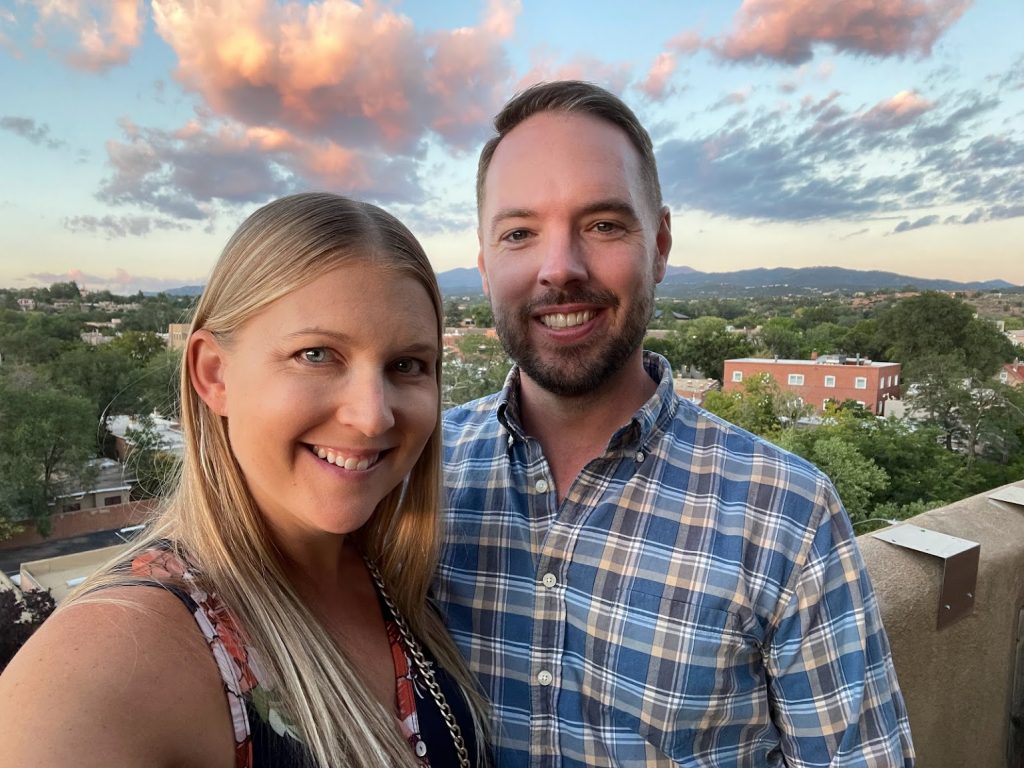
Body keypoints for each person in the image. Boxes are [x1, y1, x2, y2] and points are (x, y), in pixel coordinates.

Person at [434, 81, 915, 767]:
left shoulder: (785, 516)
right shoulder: (419, 476)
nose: (561, 267)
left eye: (603, 224)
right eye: (520, 233)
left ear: (659, 244)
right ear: (485, 268)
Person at [0, 193, 487, 768]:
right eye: (316, 354)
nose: (373, 415)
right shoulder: (118, 656)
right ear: (214, 374)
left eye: (407, 365)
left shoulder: (401, 582)